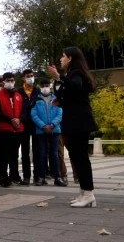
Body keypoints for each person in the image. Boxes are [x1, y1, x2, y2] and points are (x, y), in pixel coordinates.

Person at [47, 47, 98, 208]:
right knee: (77, 157)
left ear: (70, 58)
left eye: (63, 56)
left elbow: (75, 87)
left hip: (79, 121)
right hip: (74, 120)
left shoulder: (76, 73)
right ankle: (84, 192)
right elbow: (69, 92)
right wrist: (60, 99)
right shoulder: (72, 74)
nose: (61, 59)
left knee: (81, 157)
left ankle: (88, 193)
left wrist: (58, 76)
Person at [30, 77, 66, 187]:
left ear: (50, 86)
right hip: (41, 131)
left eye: (47, 85)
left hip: (54, 130)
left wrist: (52, 125)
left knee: (54, 154)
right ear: (40, 87)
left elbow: (60, 114)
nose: (45, 88)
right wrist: (43, 126)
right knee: (42, 154)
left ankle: (57, 177)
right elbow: (33, 115)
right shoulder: (36, 100)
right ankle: (41, 177)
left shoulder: (56, 98)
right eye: (43, 86)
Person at [0, 72, 24, 187]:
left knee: (14, 154)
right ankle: (1, 176)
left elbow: (24, 110)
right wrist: (11, 120)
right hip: (3, 129)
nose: (10, 82)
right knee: (2, 154)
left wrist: (19, 120)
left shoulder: (18, 95)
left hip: (17, 129)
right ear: (4, 82)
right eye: (8, 80)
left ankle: (14, 175)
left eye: (12, 80)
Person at [18, 69, 40, 186]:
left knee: (37, 151)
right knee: (25, 151)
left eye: (32, 76)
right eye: (28, 76)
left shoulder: (37, 91)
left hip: (36, 124)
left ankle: (37, 176)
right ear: (23, 78)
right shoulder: (19, 92)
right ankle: (26, 176)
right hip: (24, 124)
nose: (30, 78)